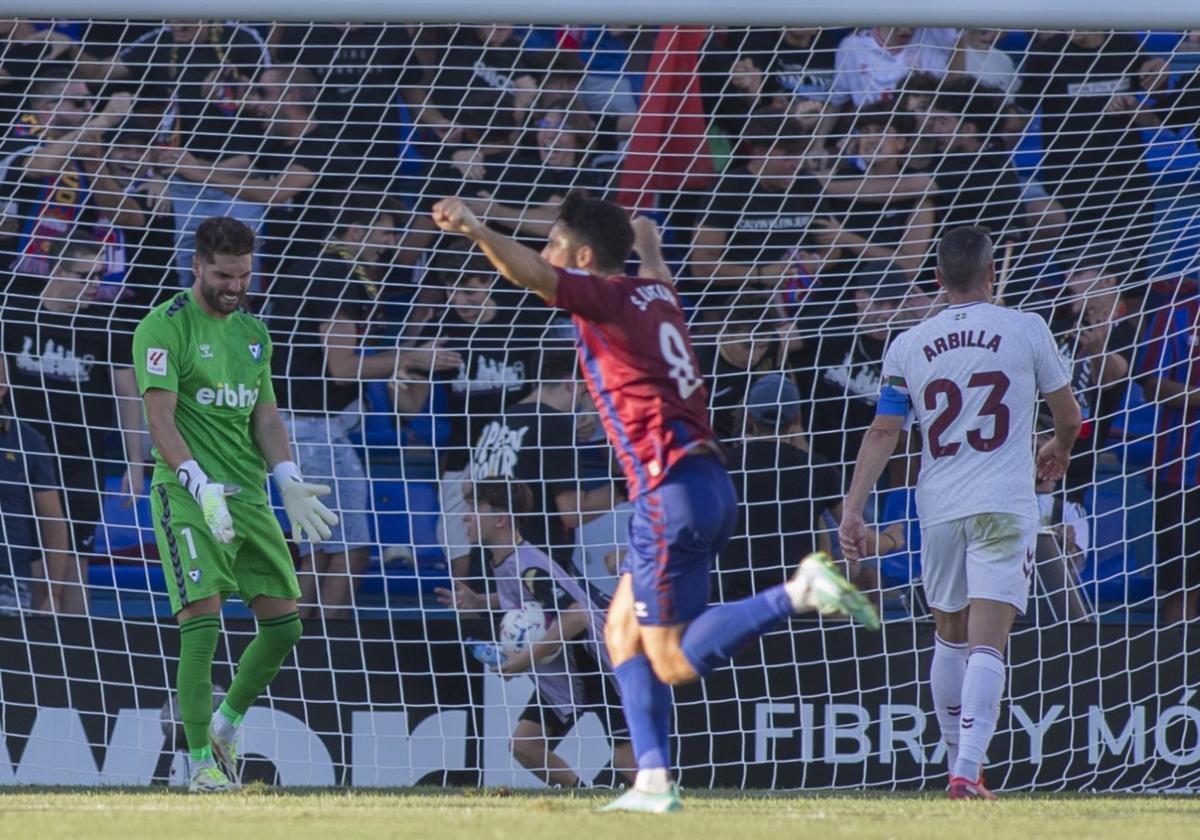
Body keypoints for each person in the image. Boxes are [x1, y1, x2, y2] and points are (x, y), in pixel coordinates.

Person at [430, 190, 878, 813]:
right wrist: (650, 243)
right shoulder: (658, 294)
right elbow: (656, 268)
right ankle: (651, 781)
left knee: (666, 655)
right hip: (707, 485)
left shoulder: (605, 296)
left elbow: (529, 274)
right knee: (619, 632)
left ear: (585, 258)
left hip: (667, 491)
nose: (547, 253)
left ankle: (799, 591)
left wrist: (478, 229)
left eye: (557, 245)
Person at [839, 226, 1081, 800]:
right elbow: (1069, 415)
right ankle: (967, 772)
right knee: (987, 642)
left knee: (948, 635)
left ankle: (957, 766)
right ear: (993, 273)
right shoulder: (1027, 329)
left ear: (938, 279)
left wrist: (853, 510)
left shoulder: (908, 344)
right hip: (1002, 503)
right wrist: (1059, 447)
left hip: (939, 506)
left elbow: (884, 431)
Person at [131, 216, 339, 793]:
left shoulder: (254, 332)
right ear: (197, 266)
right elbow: (160, 418)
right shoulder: (163, 327)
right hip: (188, 494)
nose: (235, 285)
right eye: (224, 274)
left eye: (244, 274)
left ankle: (225, 724)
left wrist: (288, 477)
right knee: (202, 623)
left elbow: (265, 416)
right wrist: (197, 483)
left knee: (285, 628)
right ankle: (200, 763)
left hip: (247, 496)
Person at [264, 203, 459, 618]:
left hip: (289, 426)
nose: (392, 246)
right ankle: (325, 652)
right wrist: (411, 354)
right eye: (385, 235)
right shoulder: (338, 278)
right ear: (355, 233)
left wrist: (399, 358)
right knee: (350, 550)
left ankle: (293, 654)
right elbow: (342, 369)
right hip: (312, 430)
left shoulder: (311, 267)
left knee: (315, 550)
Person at [436, 480, 634, 788]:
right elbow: (527, 600)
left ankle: (671, 806)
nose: (466, 516)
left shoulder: (528, 566)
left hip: (596, 664)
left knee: (625, 760)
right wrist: (479, 601)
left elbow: (576, 616)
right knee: (526, 747)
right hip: (564, 671)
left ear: (500, 519)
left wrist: (522, 660)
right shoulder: (507, 559)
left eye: (475, 508)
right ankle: (582, 800)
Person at [0, 239, 146, 613]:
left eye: (99, 275)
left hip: (81, 460)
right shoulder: (17, 313)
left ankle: (78, 654)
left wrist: (135, 461)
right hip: (23, 461)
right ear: (57, 271)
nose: (94, 284)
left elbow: (128, 394)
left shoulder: (104, 321)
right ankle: (36, 650)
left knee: (75, 563)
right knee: (34, 565)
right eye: (84, 276)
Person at [396, 247, 551, 579]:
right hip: (464, 457)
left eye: (469, 291)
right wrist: (403, 373)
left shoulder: (525, 320)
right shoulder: (440, 330)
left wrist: (581, 416)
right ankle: (466, 617)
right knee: (456, 537)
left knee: (524, 543)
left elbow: (553, 385)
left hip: (519, 455)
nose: (460, 301)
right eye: (452, 291)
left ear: (490, 283)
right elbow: (409, 407)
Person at [718, 373, 902, 603]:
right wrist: (893, 539)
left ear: (748, 417)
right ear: (796, 419)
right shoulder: (815, 469)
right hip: (795, 602)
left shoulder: (720, 465)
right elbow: (860, 539)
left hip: (728, 599)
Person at [470, 348, 616, 566]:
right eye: (585, 392)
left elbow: (467, 490)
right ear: (571, 384)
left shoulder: (499, 420)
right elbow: (572, 512)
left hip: (489, 563)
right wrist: (626, 487)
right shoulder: (555, 424)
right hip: (535, 567)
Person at [1135, 281, 1200, 624]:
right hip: (1182, 472)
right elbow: (1151, 386)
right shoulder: (1178, 314)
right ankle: (1177, 670)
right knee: (1181, 583)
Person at [0, 371, 71, 615]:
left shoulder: (29, 442)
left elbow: (54, 522)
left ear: (3, 387)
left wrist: (53, 594)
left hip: (8, 585)